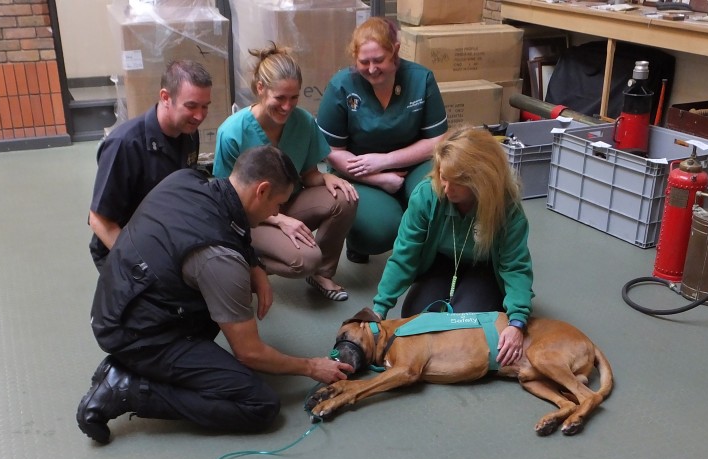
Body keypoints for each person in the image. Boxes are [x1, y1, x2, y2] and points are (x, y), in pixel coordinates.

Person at [76, 145, 354, 444]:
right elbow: (249, 353)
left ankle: (132, 367)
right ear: (261, 190)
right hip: (134, 331)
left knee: (221, 306)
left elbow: (232, 222)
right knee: (259, 405)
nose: (276, 213)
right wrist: (311, 366)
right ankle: (129, 389)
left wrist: (255, 265)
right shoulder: (219, 260)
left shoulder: (186, 180)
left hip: (119, 299)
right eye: (278, 204)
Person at [371, 127, 535, 368]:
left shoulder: (507, 208)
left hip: (485, 268)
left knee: (462, 327)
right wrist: (380, 308)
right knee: (416, 318)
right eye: (442, 176)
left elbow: (515, 267)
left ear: (480, 180)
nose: (446, 188)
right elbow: (404, 254)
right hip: (441, 262)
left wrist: (517, 322)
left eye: (456, 182)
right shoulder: (427, 194)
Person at [214, 44, 358, 301]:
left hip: (288, 203)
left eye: (294, 98)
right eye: (280, 98)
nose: (287, 106)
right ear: (260, 88)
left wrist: (327, 177)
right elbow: (226, 201)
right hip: (250, 218)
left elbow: (309, 173)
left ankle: (322, 273)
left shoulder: (303, 122)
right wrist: (280, 220)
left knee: (344, 197)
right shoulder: (233, 131)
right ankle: (245, 267)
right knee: (305, 259)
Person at [316, 16, 449, 265]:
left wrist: (385, 161)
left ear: (395, 50)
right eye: (363, 62)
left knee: (435, 196)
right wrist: (378, 176)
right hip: (358, 172)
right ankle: (359, 242)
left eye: (379, 60)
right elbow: (331, 150)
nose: (372, 68)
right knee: (382, 230)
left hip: (413, 165)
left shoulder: (421, 79)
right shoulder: (341, 86)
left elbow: (438, 139)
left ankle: (431, 254)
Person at [87, 59, 213, 273]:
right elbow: (99, 220)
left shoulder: (188, 133)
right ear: (165, 98)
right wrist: (140, 265)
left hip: (166, 235)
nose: (199, 116)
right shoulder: (124, 144)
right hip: (126, 245)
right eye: (191, 106)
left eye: (205, 107)